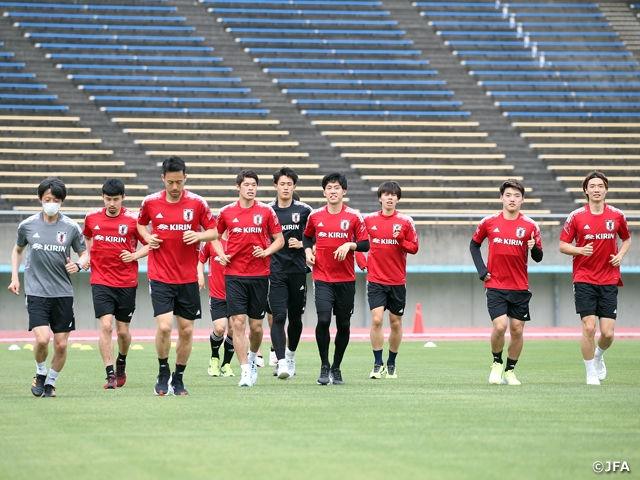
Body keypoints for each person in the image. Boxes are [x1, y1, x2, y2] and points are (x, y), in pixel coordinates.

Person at [137, 156, 218, 396]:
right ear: (163, 178)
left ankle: (178, 377)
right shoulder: (150, 202)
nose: (174, 187)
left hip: (188, 278)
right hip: (160, 275)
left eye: (179, 182)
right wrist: (147, 238)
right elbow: (141, 225)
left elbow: (213, 232)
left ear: (185, 178)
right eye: (170, 182)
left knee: (187, 331)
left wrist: (199, 236)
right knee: (164, 327)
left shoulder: (197, 203)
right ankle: (163, 371)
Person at [8, 177, 88, 398]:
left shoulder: (71, 227)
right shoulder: (27, 225)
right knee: (43, 339)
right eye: (47, 199)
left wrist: (79, 266)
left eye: (56, 199)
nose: (51, 203)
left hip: (63, 293)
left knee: (61, 345)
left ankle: (51, 383)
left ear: (62, 201)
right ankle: (40, 373)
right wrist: (15, 278)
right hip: (36, 292)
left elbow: (84, 254)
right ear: (40, 199)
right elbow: (17, 251)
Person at [559, 171, 631, 386]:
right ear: (586, 190)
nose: (597, 189)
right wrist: (580, 250)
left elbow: (626, 239)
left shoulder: (617, 215)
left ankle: (599, 355)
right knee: (589, 327)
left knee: (607, 334)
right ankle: (590, 372)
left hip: (609, 279)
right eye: (592, 186)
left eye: (600, 186)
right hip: (584, 278)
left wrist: (619, 256)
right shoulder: (576, 216)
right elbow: (563, 245)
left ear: (606, 189)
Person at [214, 170, 284, 387]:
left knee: (256, 327)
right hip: (234, 275)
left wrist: (266, 252)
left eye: (254, 184)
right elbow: (213, 237)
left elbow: (279, 240)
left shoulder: (266, 211)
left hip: (260, 275)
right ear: (238, 187)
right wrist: (221, 254)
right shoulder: (226, 212)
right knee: (237, 323)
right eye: (246, 184)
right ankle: (245, 370)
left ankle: (253, 360)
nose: (251, 188)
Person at [470, 179, 543, 386]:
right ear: (501, 197)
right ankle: (496, 363)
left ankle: (510, 371)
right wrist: (482, 270)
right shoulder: (488, 222)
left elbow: (538, 257)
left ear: (523, 199)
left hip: (520, 286)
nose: (512, 199)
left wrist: (534, 248)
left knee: (518, 330)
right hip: (495, 284)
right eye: (508, 195)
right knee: (500, 326)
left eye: (517, 196)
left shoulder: (530, 226)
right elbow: (474, 246)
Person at [303, 172, 369, 386]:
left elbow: (365, 244)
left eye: (337, 187)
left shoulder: (353, 217)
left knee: (343, 324)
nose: (333, 191)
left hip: (346, 279)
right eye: (329, 187)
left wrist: (350, 245)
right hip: (322, 277)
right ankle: (324, 364)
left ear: (344, 191)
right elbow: (306, 236)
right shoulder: (315, 216)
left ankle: (337, 367)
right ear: (324, 192)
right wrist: (307, 252)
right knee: (323, 320)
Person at [83, 179, 149, 390]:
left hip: (126, 282)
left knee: (122, 332)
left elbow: (151, 245)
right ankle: (110, 374)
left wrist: (134, 256)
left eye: (116, 199)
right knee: (105, 326)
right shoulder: (91, 218)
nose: (112, 203)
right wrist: (87, 259)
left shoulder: (133, 220)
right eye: (108, 199)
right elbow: (87, 240)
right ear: (103, 197)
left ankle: (121, 360)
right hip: (101, 281)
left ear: (123, 198)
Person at [355, 181, 419, 379]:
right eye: (386, 194)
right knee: (376, 320)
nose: (390, 198)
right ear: (380, 197)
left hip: (397, 281)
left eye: (393, 195)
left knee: (396, 323)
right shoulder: (368, 220)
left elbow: (414, 248)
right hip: (375, 279)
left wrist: (400, 240)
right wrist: (362, 263)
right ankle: (377, 363)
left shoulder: (406, 221)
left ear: (398, 198)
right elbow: (359, 244)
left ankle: (391, 363)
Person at [267, 168, 313, 379]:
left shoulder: (305, 210)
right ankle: (281, 363)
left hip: (298, 271)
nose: (285, 187)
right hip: (275, 271)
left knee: (295, 319)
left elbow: (315, 238)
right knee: (279, 316)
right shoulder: (266, 211)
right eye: (282, 184)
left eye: (289, 184)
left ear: (294, 187)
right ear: (275, 186)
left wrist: (302, 244)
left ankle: (291, 356)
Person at [198, 234, 236, 378]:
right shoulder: (211, 241)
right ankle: (214, 358)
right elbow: (200, 260)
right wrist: (200, 275)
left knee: (233, 329)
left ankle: (226, 364)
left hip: (236, 293)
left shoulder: (237, 240)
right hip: (216, 293)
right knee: (220, 329)